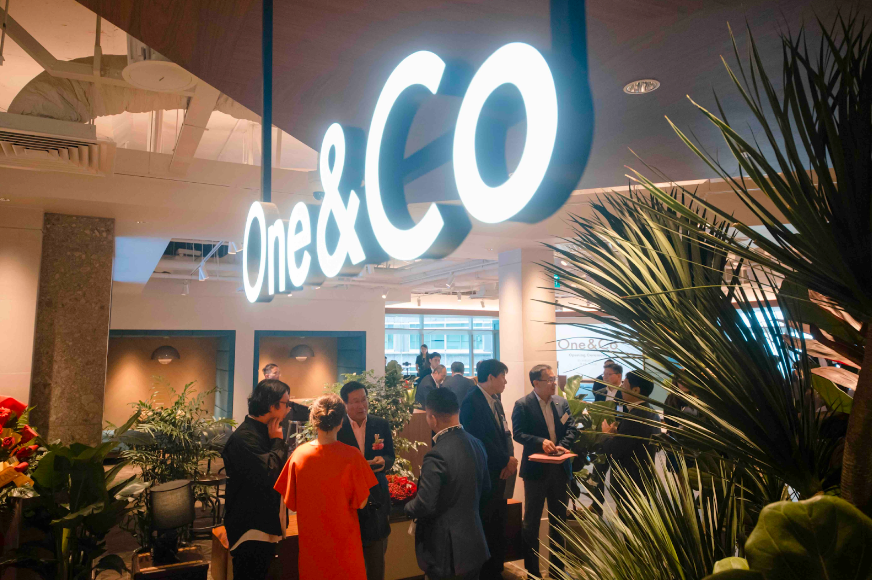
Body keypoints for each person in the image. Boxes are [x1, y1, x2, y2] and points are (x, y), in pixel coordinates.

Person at [274, 394, 378, 580]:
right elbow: (362, 502)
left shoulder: (299, 455)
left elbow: (288, 504)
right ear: (341, 422)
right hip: (345, 547)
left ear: (314, 421)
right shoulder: (352, 456)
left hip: (312, 547)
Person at [405, 388, 490, 580]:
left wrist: (407, 508)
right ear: (456, 411)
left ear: (432, 418)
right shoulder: (477, 444)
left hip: (445, 550)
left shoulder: (436, 454)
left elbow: (425, 504)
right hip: (474, 543)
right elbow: (486, 489)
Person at [512, 364, 579, 578]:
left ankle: (558, 570)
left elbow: (572, 428)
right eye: (549, 380)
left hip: (560, 470)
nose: (553, 383)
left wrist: (561, 446)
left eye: (553, 379)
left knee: (559, 521)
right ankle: (533, 572)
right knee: (531, 522)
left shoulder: (561, 402)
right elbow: (518, 433)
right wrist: (541, 442)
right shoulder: (523, 404)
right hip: (536, 471)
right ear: (536, 383)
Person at [221, 379, 291, 580]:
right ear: (272, 406)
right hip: (250, 527)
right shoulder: (244, 437)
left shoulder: (264, 430)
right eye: (286, 404)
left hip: (263, 522)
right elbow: (269, 473)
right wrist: (277, 441)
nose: (288, 409)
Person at [459, 359, 517, 580]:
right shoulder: (471, 402)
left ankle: (496, 569)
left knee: (499, 523)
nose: (505, 382)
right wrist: (504, 460)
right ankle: (486, 573)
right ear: (491, 377)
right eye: (503, 377)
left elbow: (504, 434)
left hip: (500, 472)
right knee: (486, 524)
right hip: (485, 475)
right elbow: (479, 439)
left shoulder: (496, 401)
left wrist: (509, 460)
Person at [336, 381, 395, 580]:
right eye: (355, 401)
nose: (362, 405)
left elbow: (390, 456)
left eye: (364, 400)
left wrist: (384, 462)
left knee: (376, 560)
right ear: (345, 404)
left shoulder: (380, 424)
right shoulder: (338, 428)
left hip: (376, 496)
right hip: (349, 500)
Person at [600, 370, 660, 505]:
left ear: (636, 390)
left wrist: (606, 435)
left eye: (624, 385)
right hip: (642, 481)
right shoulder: (651, 412)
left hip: (631, 485)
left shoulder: (635, 417)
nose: (621, 388)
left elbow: (615, 450)